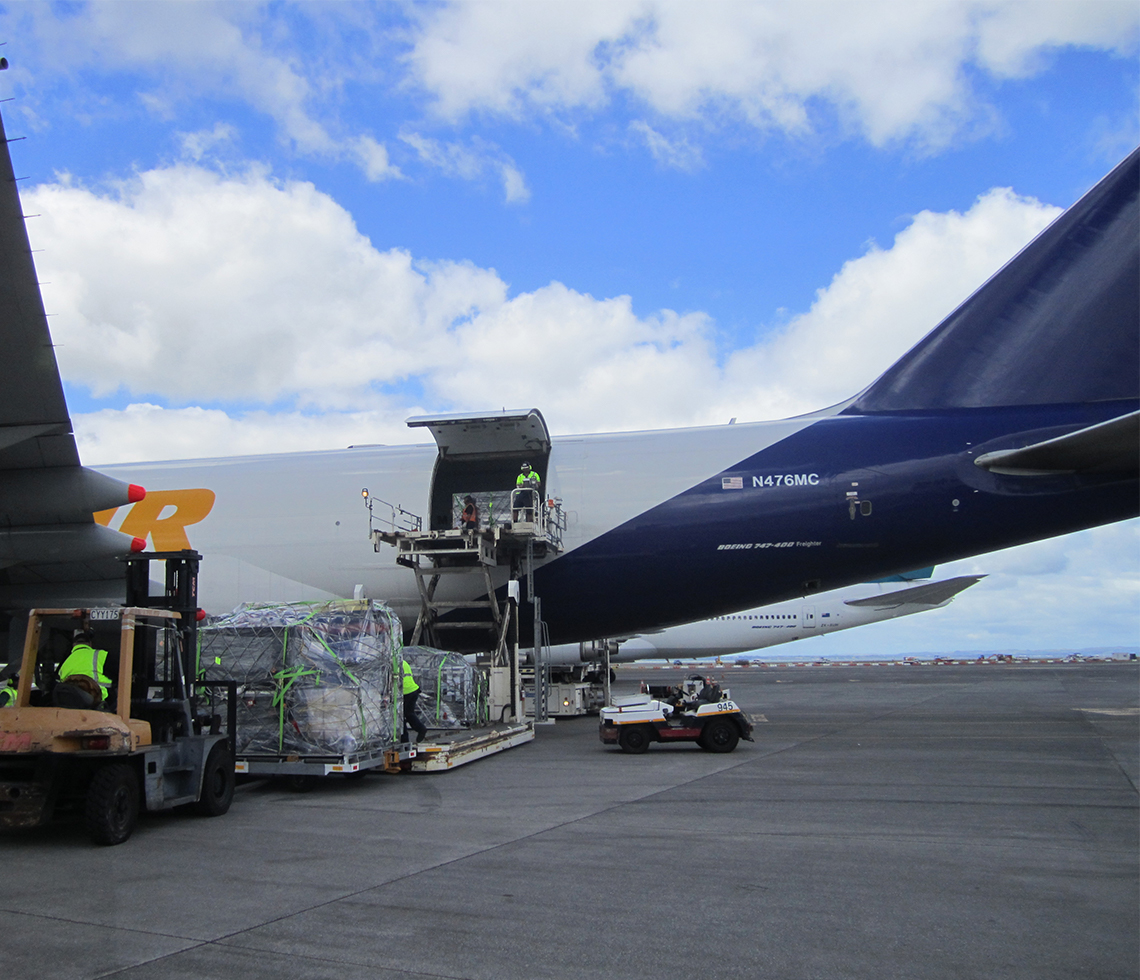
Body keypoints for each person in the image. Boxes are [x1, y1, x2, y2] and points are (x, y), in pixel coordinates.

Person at [57, 630, 117, 708]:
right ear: (90, 644)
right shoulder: (101, 655)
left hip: (70, 704)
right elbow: (119, 675)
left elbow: (57, 683)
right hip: (98, 703)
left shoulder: (65, 661)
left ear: (74, 645)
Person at [399, 654, 428, 745]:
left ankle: (404, 739)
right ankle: (421, 729)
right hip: (413, 689)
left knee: (400, 716)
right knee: (409, 713)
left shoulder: (395, 664)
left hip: (405, 691)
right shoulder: (404, 663)